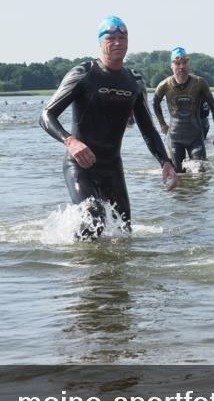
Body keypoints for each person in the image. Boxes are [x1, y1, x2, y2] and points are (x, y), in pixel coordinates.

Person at [40, 16, 177, 239]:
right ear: (100, 42)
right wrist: (70, 141)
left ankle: (111, 273)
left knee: (124, 233)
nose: (117, 43)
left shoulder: (134, 81)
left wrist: (165, 162)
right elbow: (46, 115)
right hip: (80, 166)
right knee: (93, 218)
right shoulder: (84, 73)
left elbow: (149, 129)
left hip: (112, 168)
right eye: (111, 38)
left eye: (122, 38)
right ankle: (81, 271)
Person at [153, 47, 214, 172]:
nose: (181, 67)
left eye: (184, 63)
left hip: (195, 137)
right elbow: (155, 103)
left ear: (188, 64)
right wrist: (162, 123)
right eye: (177, 63)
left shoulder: (199, 83)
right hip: (175, 137)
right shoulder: (164, 85)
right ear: (171, 66)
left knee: (200, 173)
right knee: (177, 173)